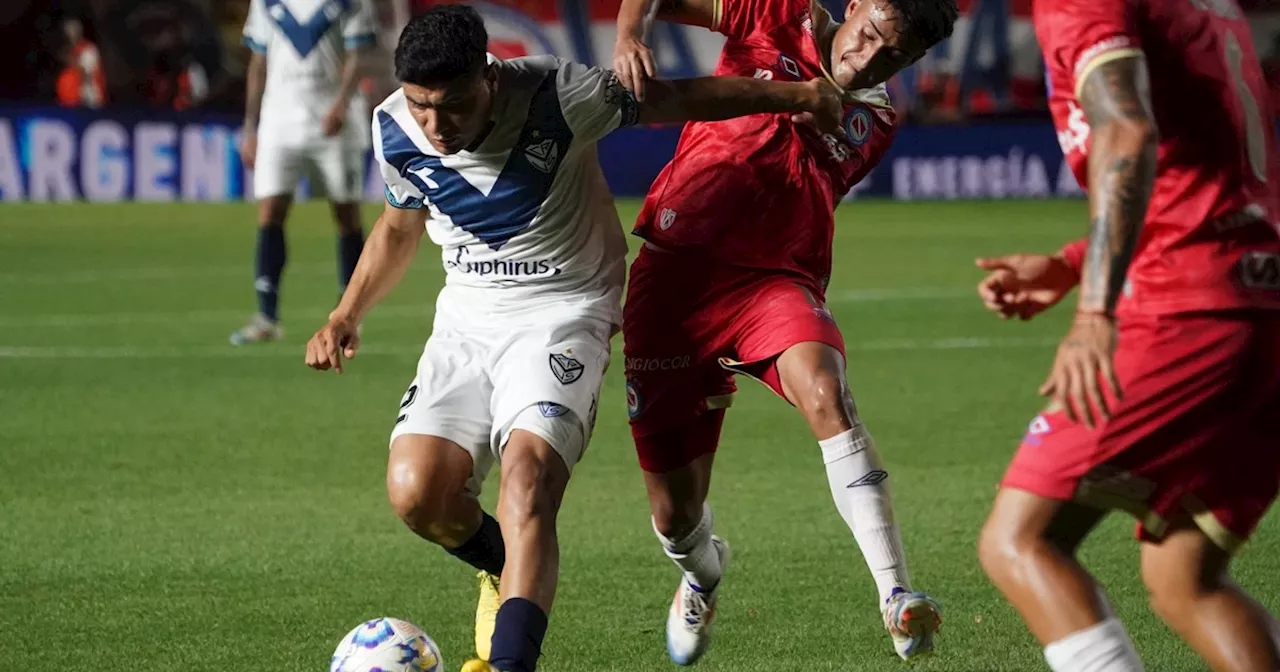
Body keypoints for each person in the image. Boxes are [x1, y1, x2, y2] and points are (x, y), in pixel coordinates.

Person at [303, 6, 846, 672]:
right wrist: (345, 313)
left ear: (489, 78)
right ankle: (502, 567)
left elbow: (682, 98)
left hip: (563, 311)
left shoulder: (561, 95)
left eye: (451, 105)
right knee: (418, 495)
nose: (435, 126)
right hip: (467, 318)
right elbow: (397, 226)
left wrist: (801, 96)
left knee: (527, 482)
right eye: (421, 107)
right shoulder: (395, 127)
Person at [612, 0, 957, 663]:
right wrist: (630, 34)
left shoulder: (877, 118)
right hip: (676, 282)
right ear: (851, 7)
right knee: (675, 515)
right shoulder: (775, 13)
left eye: (895, 56)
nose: (870, 58)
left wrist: (806, 101)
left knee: (829, 396)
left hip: (773, 281)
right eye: (870, 35)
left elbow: (793, 158)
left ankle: (897, 598)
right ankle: (700, 573)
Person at [973, 0, 1280, 670]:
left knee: (1019, 541)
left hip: (1195, 313)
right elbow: (1207, 176)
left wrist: (1093, 313)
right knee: (1184, 579)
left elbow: (1127, 133)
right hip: (1262, 310)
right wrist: (1071, 264)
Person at [233, 0, 378, 345]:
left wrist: (342, 104)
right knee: (270, 211)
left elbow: (359, 55)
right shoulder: (266, 3)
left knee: (346, 214)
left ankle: (350, 315)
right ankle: (266, 316)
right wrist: (250, 127)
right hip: (279, 121)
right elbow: (258, 62)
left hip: (334, 121)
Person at [55, 18, 106, 109]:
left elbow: (89, 75)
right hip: (70, 99)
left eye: (73, 31)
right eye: (68, 32)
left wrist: (75, 64)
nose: (71, 34)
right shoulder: (69, 50)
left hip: (88, 99)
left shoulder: (88, 49)